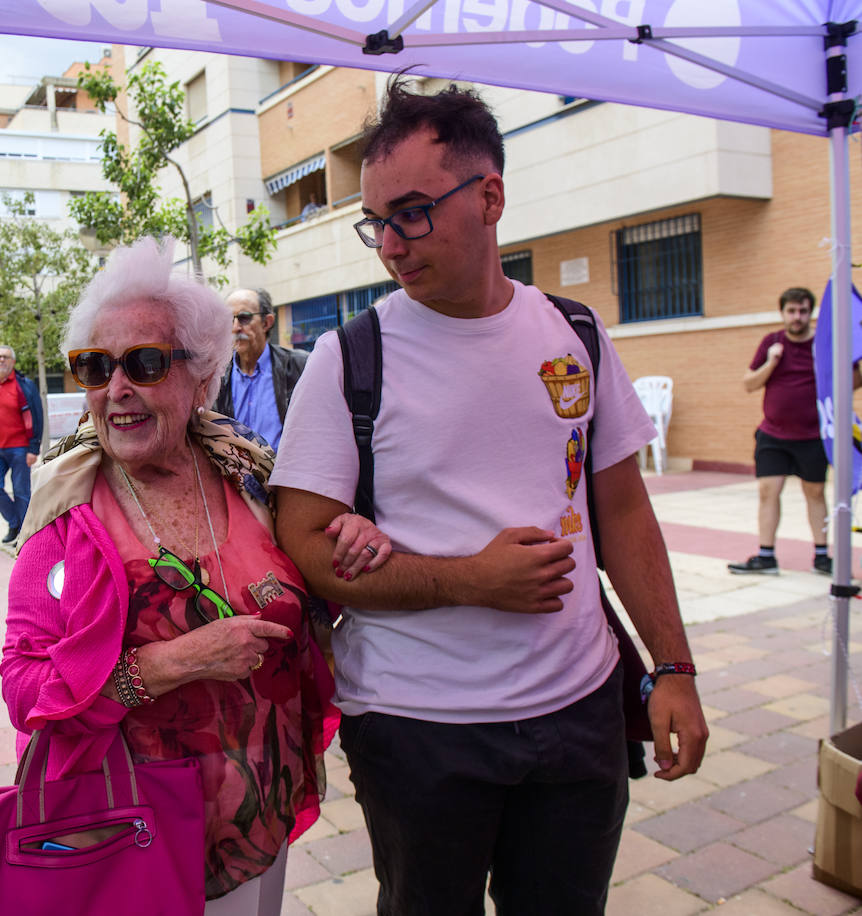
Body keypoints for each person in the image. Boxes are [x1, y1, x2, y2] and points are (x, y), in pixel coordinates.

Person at [270, 78, 708, 915]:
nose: (391, 245)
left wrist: (673, 669)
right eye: (377, 223)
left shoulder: (574, 334)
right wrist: (468, 578)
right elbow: (305, 542)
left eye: (411, 212)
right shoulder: (350, 359)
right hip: (414, 724)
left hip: (580, 710)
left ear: (490, 195)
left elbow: (622, 513)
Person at [0, 237, 338, 913]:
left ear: (202, 375)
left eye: (145, 364)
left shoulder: (248, 481)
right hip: (136, 832)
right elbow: (24, 687)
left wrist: (345, 537)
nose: (116, 389)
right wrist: (167, 664)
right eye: (96, 367)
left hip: (257, 822)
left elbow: (312, 586)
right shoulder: (67, 516)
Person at [728, 287, 835, 576]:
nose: (797, 317)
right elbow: (749, 384)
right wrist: (772, 361)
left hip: (813, 435)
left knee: (815, 492)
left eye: (802, 311)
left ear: (809, 312)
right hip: (773, 435)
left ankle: (822, 556)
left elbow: (850, 382)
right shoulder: (772, 342)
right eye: (791, 311)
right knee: (767, 492)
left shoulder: (823, 344)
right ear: (783, 313)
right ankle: (766, 557)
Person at [212, 288, 308, 450]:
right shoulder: (217, 376)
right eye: (229, 320)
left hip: (286, 472)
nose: (235, 327)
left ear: (267, 322)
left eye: (244, 318)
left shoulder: (300, 366)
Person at [0, 345, 43, 543]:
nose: (2, 360)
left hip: (20, 448)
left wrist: (34, 448)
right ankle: (14, 522)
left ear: (13, 361)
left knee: (22, 491)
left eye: (6, 357)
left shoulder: (25, 385)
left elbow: (36, 416)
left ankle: (25, 536)